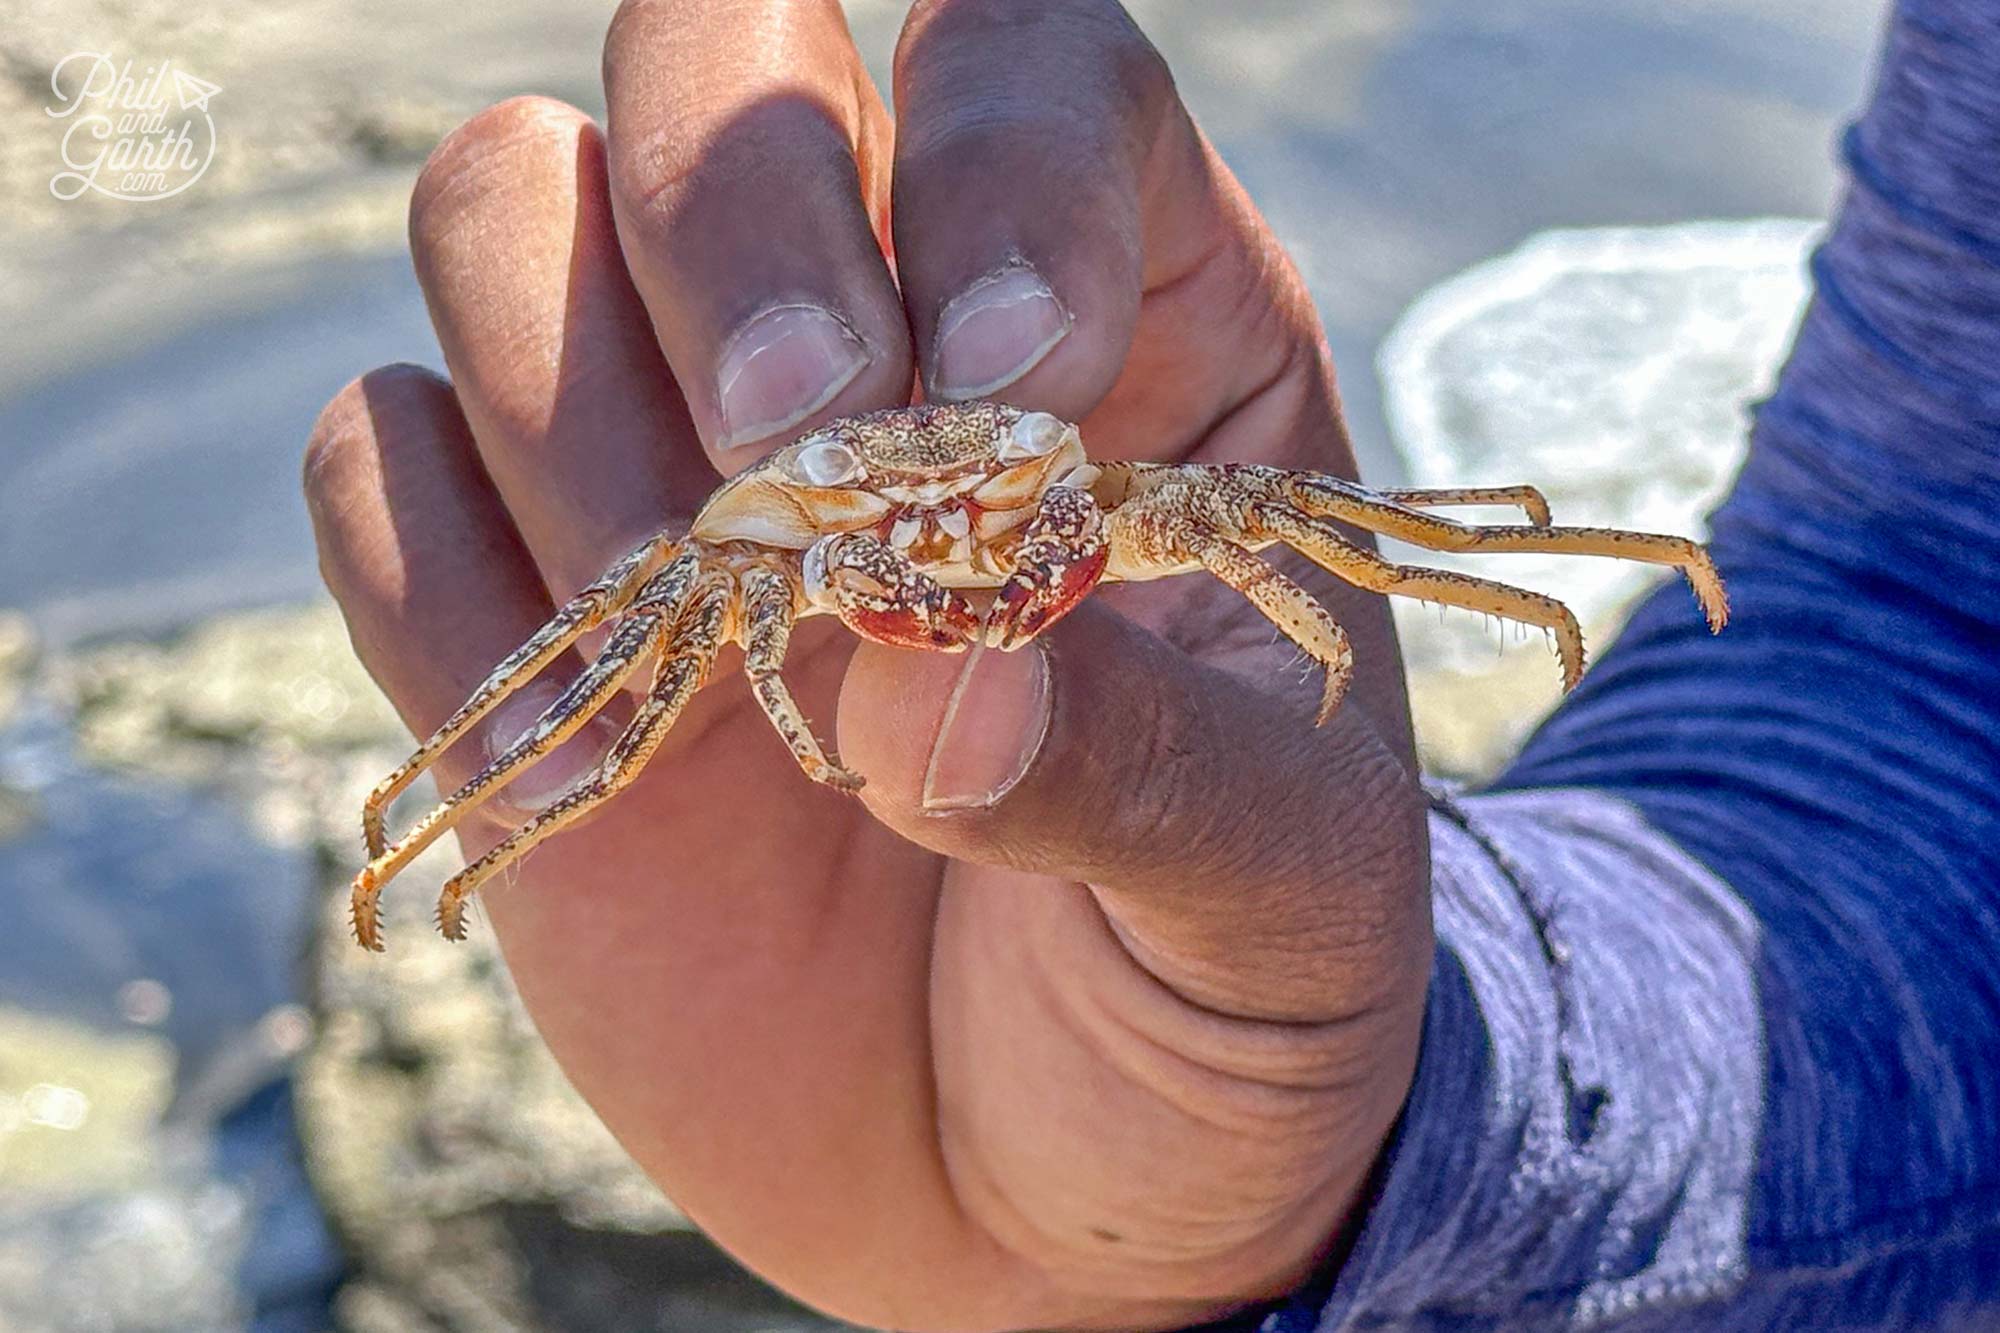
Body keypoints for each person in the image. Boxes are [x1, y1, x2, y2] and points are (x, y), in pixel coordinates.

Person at [301, 0, 2000, 1327]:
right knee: (627, 629)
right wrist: (1413, 1116)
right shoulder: (770, 557)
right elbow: (1921, 608)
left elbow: (1327, 527)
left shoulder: (1112, 500)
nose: (935, 513)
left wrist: (1502, 576)